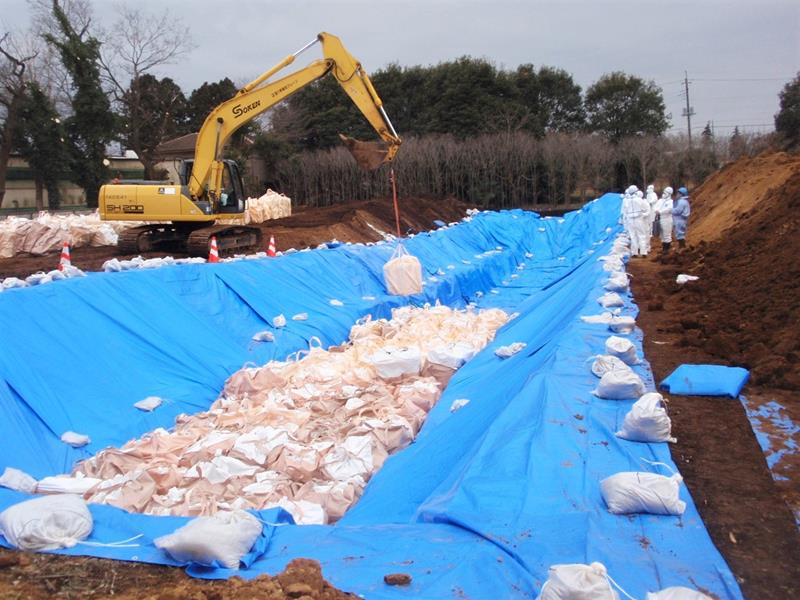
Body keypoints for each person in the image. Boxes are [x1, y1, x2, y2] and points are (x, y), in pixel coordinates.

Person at [653, 186, 674, 254]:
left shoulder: (671, 202)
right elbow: (655, 206)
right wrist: (656, 210)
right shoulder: (660, 200)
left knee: (666, 234)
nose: (664, 194)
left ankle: (667, 249)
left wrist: (660, 211)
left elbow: (669, 209)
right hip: (660, 218)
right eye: (664, 192)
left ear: (669, 194)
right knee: (661, 235)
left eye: (666, 193)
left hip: (667, 219)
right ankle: (664, 248)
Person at [631, 190, 651, 257]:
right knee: (641, 236)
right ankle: (643, 252)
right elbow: (646, 210)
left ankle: (635, 252)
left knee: (634, 236)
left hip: (633, 221)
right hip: (639, 220)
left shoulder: (628, 201)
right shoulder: (641, 201)